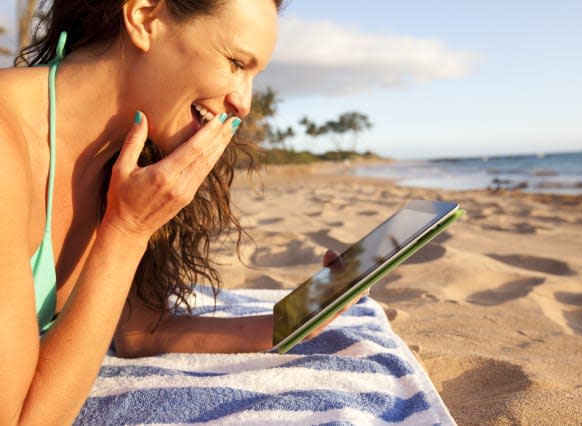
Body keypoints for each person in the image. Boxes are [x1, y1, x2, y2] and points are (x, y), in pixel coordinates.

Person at [0, 0, 360, 423]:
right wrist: (127, 230)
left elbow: (139, 332)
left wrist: (289, 321)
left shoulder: (121, 157)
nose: (244, 102)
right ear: (144, 18)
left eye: (253, 75)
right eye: (235, 63)